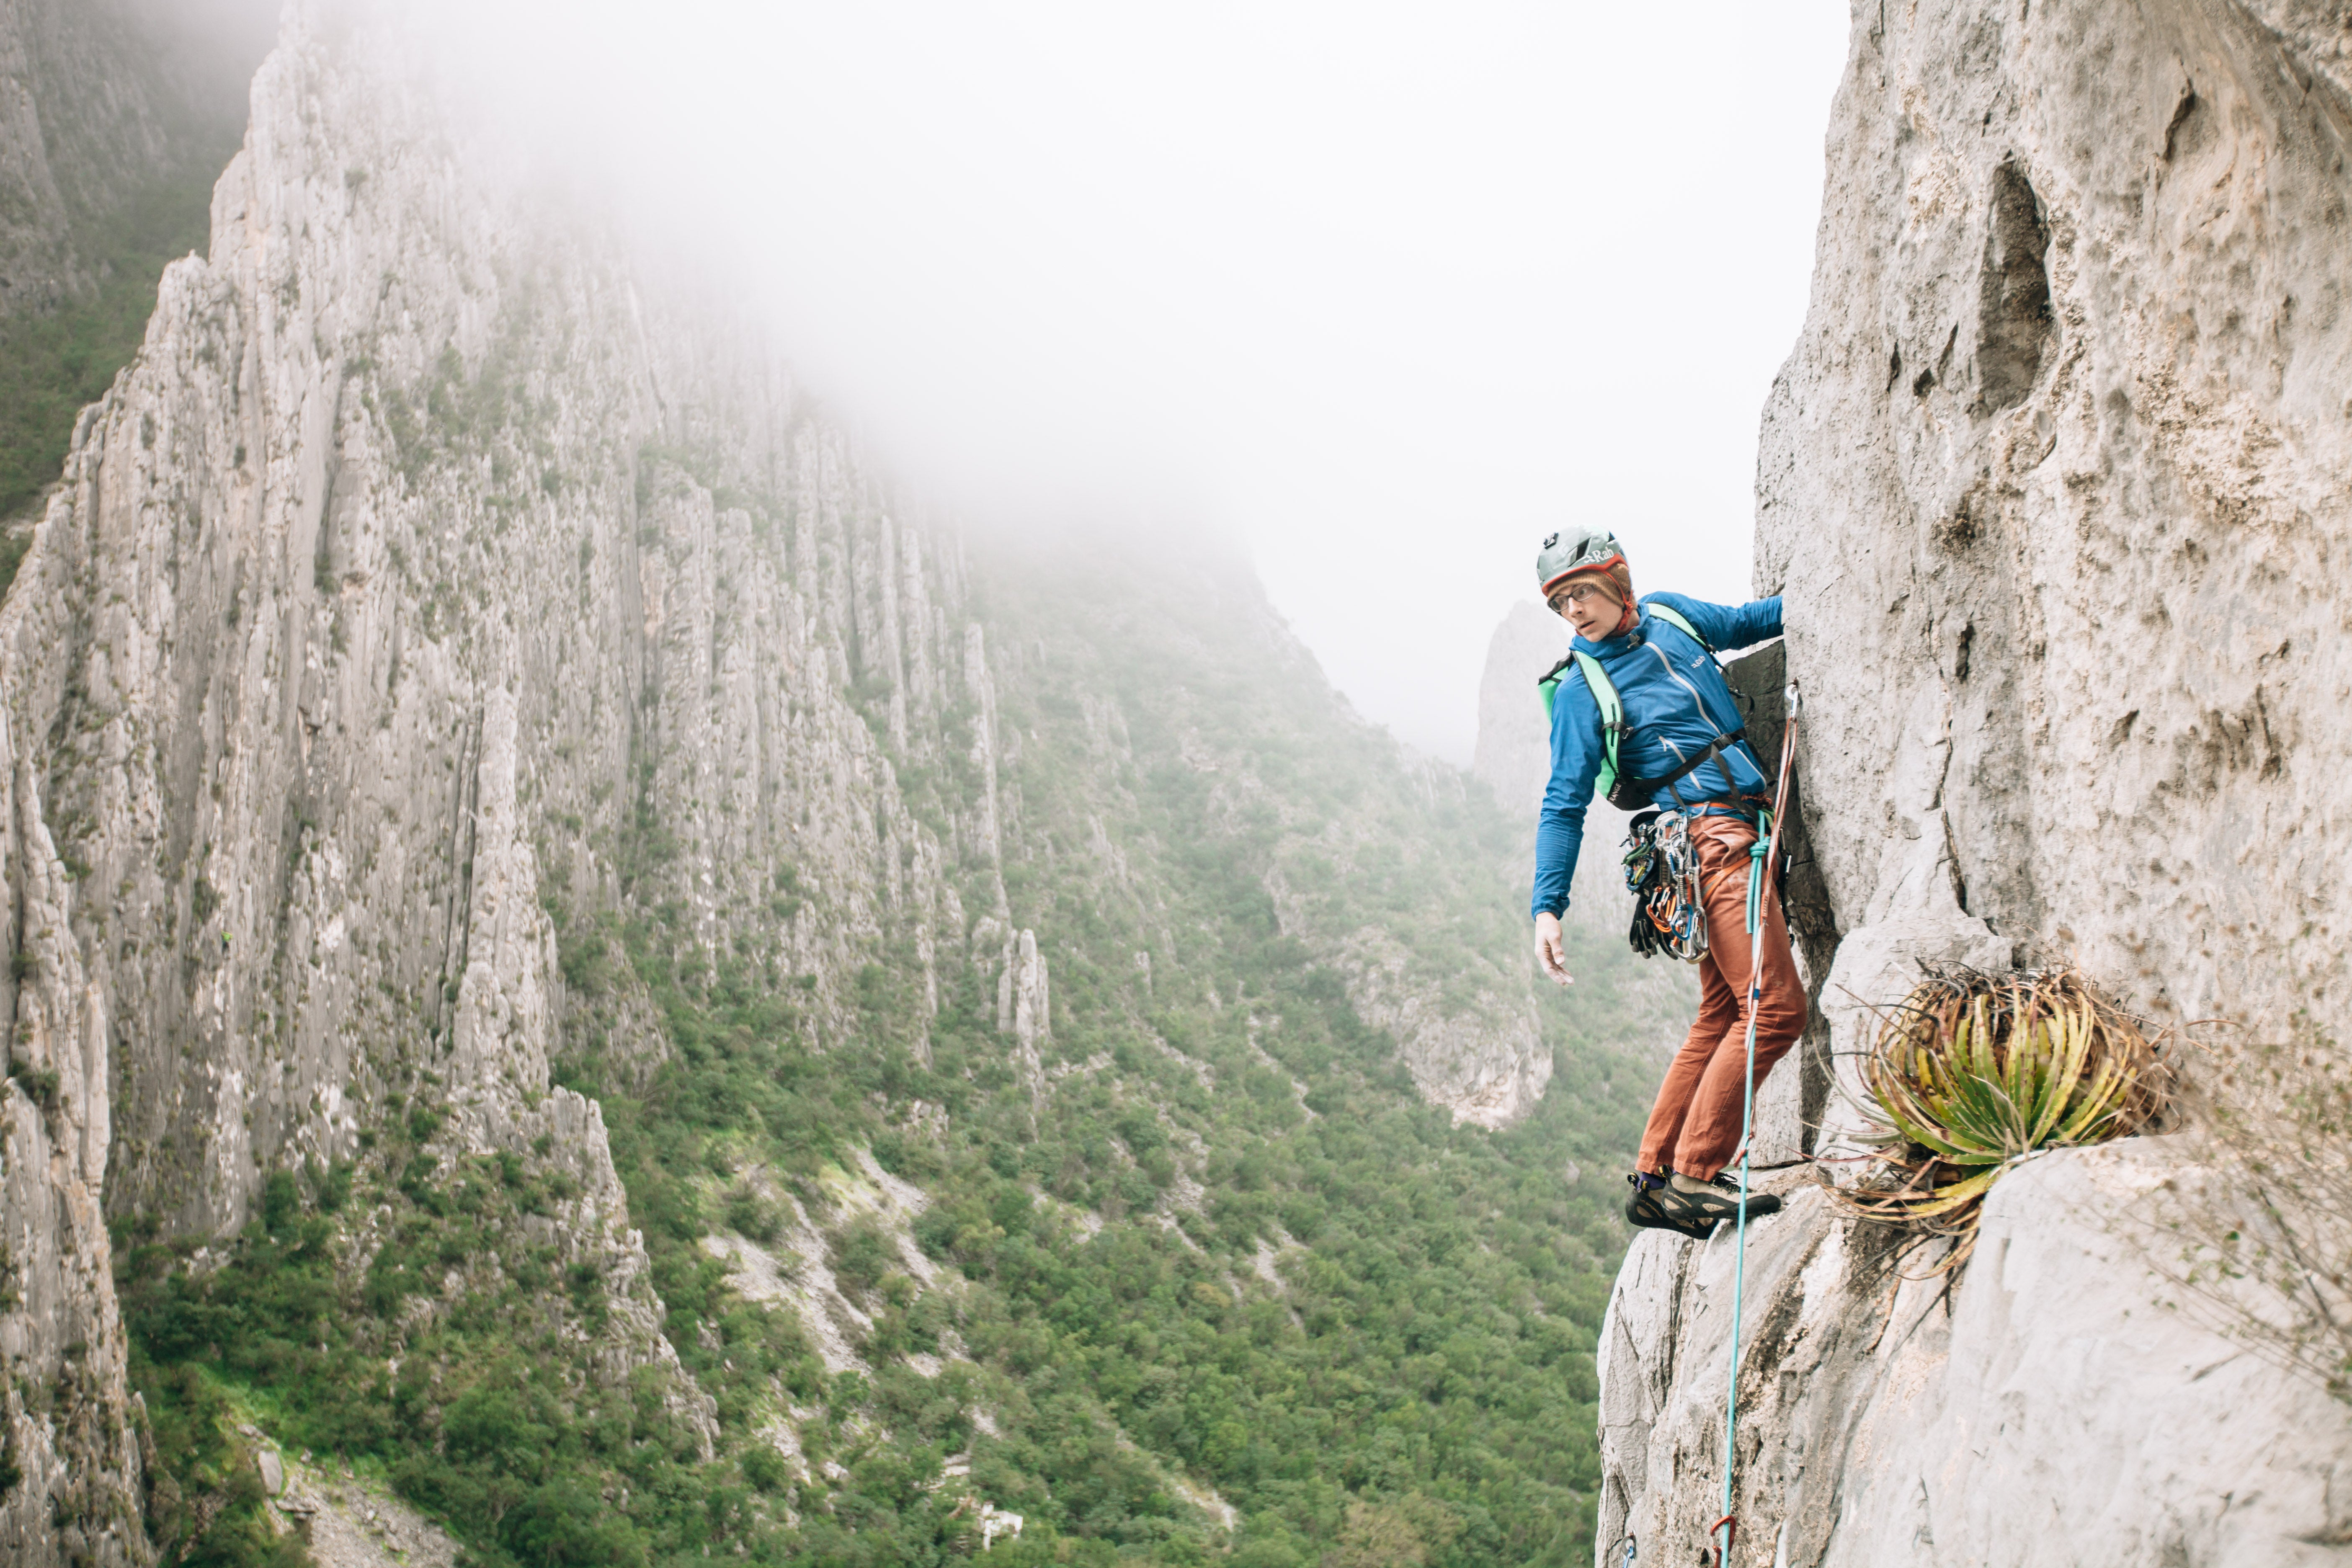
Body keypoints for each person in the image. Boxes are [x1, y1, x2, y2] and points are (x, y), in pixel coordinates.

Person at [1527, 525, 1806, 1239]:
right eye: (1560, 603)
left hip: (1718, 836)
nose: (1575, 613)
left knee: (1720, 1015)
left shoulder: (1674, 617)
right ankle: (1695, 1177)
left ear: (1618, 583)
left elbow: (1751, 622)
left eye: (1582, 593)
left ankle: (1654, 1180)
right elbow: (1564, 802)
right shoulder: (1584, 692)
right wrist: (1547, 907)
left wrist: (1825, 582)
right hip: (1707, 841)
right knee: (1772, 1007)